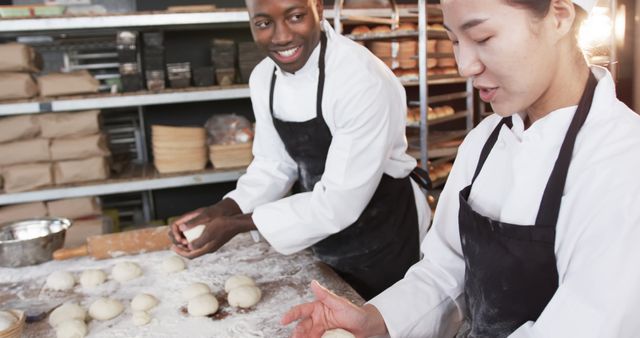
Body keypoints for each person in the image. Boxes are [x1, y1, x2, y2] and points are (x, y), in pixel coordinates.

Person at [281, 0, 640, 337]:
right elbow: (447, 273)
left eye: (483, 37)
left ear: (559, 16)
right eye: (454, 40)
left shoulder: (621, 160)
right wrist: (375, 321)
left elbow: (585, 326)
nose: (465, 65)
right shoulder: (485, 141)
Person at [169, 0, 432, 300]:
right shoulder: (264, 78)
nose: (281, 37)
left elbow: (338, 202)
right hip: (322, 235)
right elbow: (274, 164)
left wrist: (236, 225)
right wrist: (220, 210)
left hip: (384, 238)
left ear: (317, 8)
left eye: (295, 17)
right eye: (264, 23)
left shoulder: (359, 80)